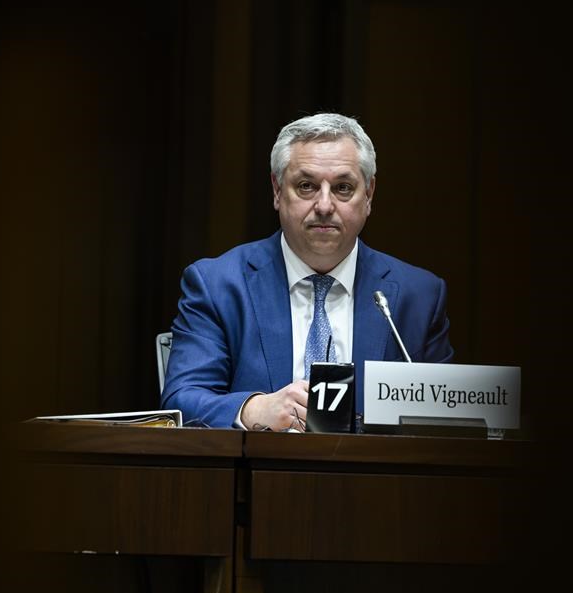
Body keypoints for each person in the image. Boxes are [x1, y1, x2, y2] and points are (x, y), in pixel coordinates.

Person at [161, 113, 453, 430]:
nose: (325, 205)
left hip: (376, 478)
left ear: (368, 195)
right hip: (259, 475)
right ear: (277, 190)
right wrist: (252, 409)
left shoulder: (418, 295)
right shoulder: (218, 285)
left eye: (343, 188)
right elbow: (181, 399)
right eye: (306, 186)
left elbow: (447, 420)